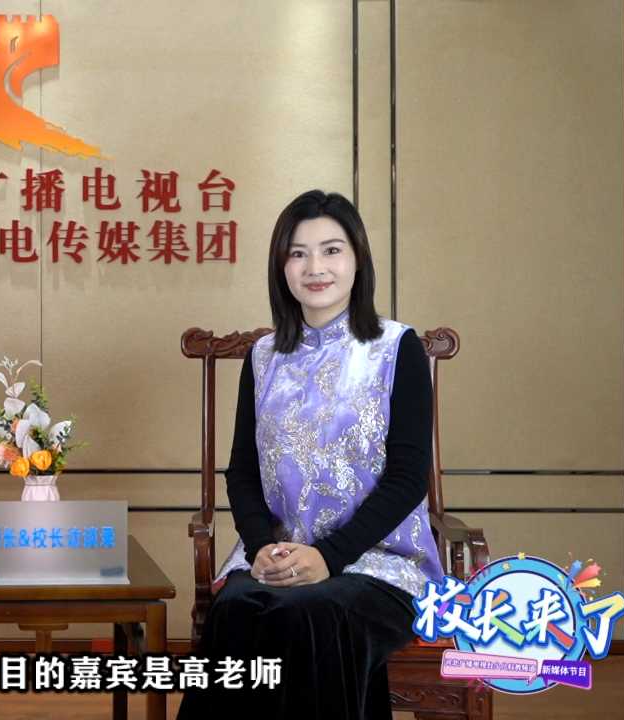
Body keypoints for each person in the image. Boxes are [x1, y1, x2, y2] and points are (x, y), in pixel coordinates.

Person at [177, 190, 444, 719]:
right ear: (281, 268)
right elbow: (243, 472)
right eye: (297, 253)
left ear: (358, 258)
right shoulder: (263, 357)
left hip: (380, 562)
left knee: (312, 613)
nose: (315, 267)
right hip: (277, 556)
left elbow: (409, 477)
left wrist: (329, 556)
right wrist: (260, 546)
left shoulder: (396, 349)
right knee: (236, 607)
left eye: (331, 250)